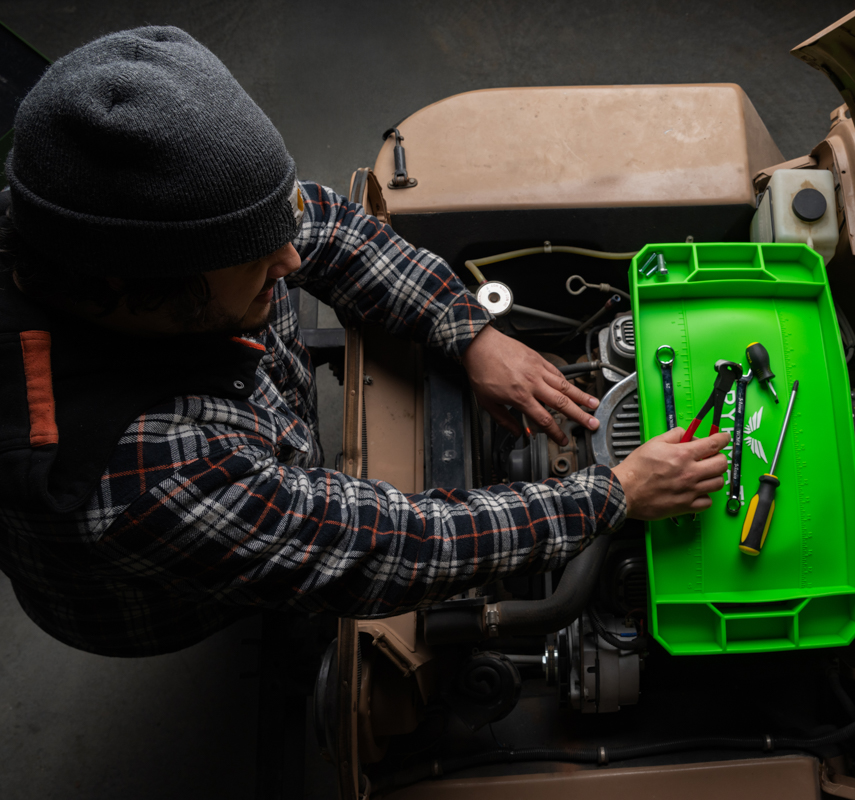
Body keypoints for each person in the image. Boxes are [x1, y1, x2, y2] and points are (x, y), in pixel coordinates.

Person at [0, 26, 729, 658]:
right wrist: (614, 494)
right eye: (258, 263)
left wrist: (469, 330)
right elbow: (386, 550)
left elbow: (318, 223)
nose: (290, 264)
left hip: (248, 460)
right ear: (138, 289)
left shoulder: (85, 219)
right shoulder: (136, 477)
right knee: (271, 596)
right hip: (161, 597)